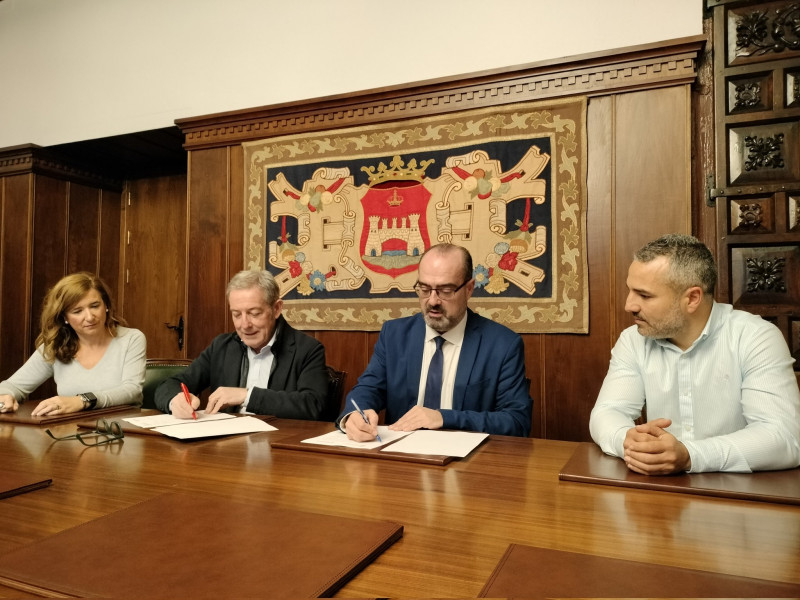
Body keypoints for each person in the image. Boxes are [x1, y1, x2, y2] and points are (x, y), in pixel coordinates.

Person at [589, 234, 800, 474]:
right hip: (659, 494)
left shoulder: (756, 338)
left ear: (692, 298)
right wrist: (627, 441)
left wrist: (690, 456)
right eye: (630, 291)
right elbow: (608, 412)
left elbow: (783, 438)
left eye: (644, 295)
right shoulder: (633, 340)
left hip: (740, 498)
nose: (630, 305)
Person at [338, 243, 532, 441]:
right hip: (401, 459)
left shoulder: (502, 345)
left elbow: (517, 421)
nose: (432, 301)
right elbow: (368, 389)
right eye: (424, 289)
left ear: (469, 289)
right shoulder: (394, 335)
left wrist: (444, 417)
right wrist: (355, 415)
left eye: (445, 290)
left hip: (469, 463)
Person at [154, 269, 329, 419]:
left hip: (278, 449)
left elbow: (313, 405)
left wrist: (247, 396)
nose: (244, 325)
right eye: (237, 315)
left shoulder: (307, 349)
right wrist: (174, 400)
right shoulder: (222, 346)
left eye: (254, 313)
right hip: (226, 448)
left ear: (276, 309)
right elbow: (170, 385)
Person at [0, 272, 146, 416]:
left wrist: (82, 400)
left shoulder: (132, 338)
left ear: (106, 306)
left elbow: (132, 391)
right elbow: (12, 386)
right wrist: (6, 395)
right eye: (77, 311)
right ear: (64, 317)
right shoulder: (55, 345)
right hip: (70, 432)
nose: (89, 317)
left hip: (123, 431)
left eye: (95, 306)